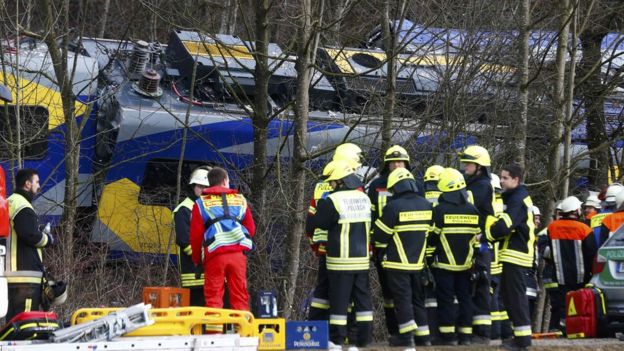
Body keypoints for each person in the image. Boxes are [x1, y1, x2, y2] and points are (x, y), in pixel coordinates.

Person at [311, 160, 373, 350]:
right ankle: (363, 341)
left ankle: (337, 340)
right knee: (363, 302)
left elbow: (318, 223)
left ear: (341, 182)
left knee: (339, 303)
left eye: (332, 182)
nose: (330, 186)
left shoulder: (333, 200)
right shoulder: (365, 198)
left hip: (340, 262)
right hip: (362, 262)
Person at [373, 168, 432, 347]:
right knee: (417, 299)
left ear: (395, 187)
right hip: (419, 263)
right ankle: (423, 337)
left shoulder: (394, 207)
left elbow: (380, 236)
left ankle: (406, 338)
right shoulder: (426, 204)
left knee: (402, 299)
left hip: (397, 263)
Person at [306, 143, 362, 321]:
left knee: (322, 291)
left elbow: (311, 221)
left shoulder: (319, 186)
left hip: (324, 248)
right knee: (349, 293)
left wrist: (314, 246)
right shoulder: (355, 188)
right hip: (347, 251)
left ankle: (316, 330)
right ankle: (346, 333)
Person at [484, 164, 535, 351]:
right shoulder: (513, 196)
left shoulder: (518, 199)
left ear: (516, 179)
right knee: (509, 296)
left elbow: (505, 225)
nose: (502, 181)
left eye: (505, 178)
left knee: (515, 296)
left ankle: (522, 341)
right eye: (501, 177)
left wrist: (487, 234)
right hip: (511, 253)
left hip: (517, 254)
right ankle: (518, 337)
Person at [190, 167, 255, 310]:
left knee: (214, 298)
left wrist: (197, 260)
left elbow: (196, 237)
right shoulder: (240, 200)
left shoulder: (201, 203)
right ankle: (242, 331)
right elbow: (251, 228)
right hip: (238, 255)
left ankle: (214, 332)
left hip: (214, 255)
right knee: (240, 297)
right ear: (225, 181)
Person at [429, 168, 480, 346]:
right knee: (465, 298)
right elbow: (476, 240)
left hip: (443, 265)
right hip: (466, 266)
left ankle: (448, 337)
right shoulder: (473, 210)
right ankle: (465, 336)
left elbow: (432, 238)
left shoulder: (440, 210)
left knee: (446, 300)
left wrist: (428, 260)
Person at [368, 145, 410, 339]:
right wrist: (373, 243)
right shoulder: (377, 185)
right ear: (387, 164)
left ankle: (408, 331)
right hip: (382, 245)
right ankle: (394, 331)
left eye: (400, 161)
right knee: (388, 293)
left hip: (408, 246)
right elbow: (370, 214)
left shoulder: (413, 184)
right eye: (393, 162)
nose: (397, 165)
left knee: (408, 291)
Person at [5, 169, 55, 321]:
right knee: (24, 320)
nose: (38, 186)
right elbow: (29, 235)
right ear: (27, 184)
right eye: (37, 182)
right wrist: (48, 239)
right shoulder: (23, 205)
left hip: (14, 273)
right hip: (24, 275)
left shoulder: (10, 201)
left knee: (14, 320)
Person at [459, 145, 496, 343]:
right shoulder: (472, 182)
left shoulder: (481, 185)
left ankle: (482, 333)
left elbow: (469, 205)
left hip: (480, 245)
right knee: (471, 286)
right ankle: (472, 330)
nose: (465, 165)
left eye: (469, 162)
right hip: (471, 243)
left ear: (479, 165)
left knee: (481, 286)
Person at [544, 196, 597, 332]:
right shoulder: (584, 229)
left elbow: (549, 249)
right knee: (579, 305)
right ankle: (577, 329)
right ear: (576, 210)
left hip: (560, 276)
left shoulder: (552, 228)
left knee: (562, 305)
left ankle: (561, 327)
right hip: (581, 276)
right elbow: (592, 253)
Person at [173, 167, 211, 307]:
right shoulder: (184, 210)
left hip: (212, 275)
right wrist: (206, 260)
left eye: (206, 187)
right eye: (200, 186)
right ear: (193, 187)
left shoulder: (210, 207)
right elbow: (185, 241)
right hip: (193, 275)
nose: (203, 190)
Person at [489, 173, 512, 342]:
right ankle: (505, 332)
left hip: (490, 260)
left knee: (491, 301)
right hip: (504, 259)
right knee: (502, 302)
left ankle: (495, 332)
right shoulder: (505, 204)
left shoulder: (487, 206)